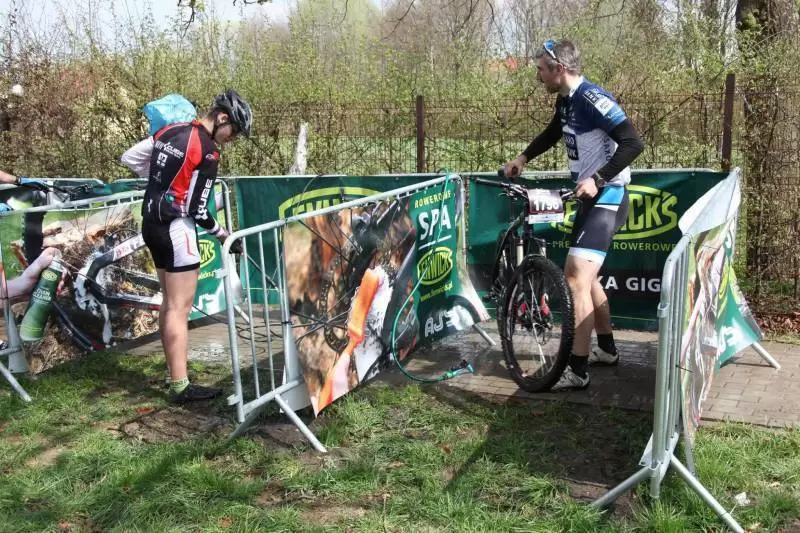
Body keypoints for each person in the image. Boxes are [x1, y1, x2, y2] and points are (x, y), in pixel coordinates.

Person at [504, 39, 644, 391]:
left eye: (541, 69)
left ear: (560, 69)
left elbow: (633, 143)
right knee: (588, 279)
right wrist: (523, 157)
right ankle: (607, 350)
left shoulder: (591, 98)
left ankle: (578, 370)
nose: (538, 75)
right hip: (592, 200)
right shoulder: (566, 100)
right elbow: (554, 131)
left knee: (576, 279)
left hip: (609, 195)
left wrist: (598, 179)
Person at [121, 89, 252, 404]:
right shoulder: (208, 151)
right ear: (222, 117)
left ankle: (175, 376)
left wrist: (161, 180)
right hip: (176, 229)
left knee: (170, 304)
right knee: (179, 308)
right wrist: (223, 235)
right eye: (233, 131)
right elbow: (198, 210)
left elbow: (131, 158)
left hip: (151, 224)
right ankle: (180, 386)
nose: (231, 138)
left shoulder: (171, 130)